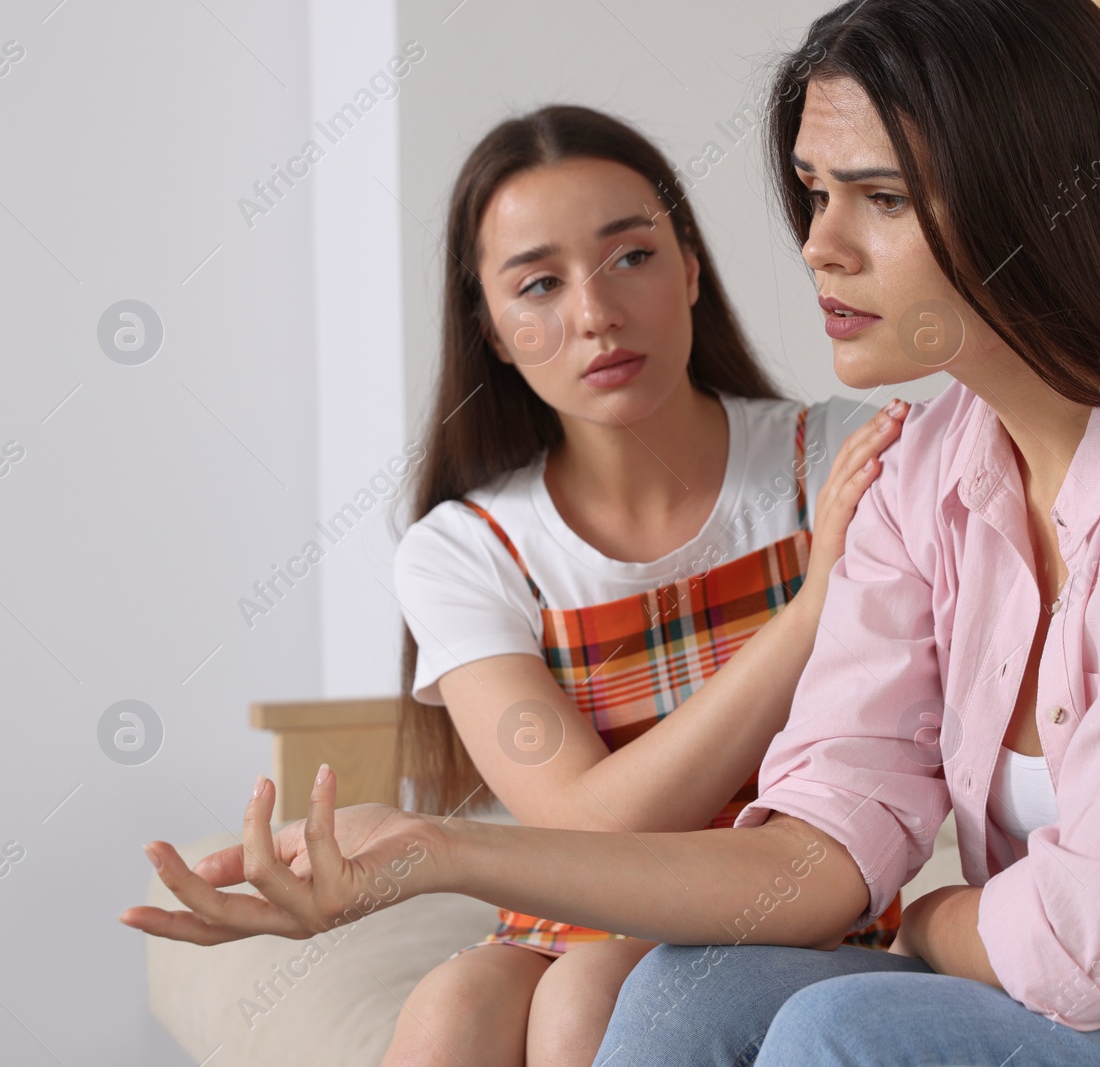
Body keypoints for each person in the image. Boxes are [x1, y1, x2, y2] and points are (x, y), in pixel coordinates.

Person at [121, 1, 1100, 1064]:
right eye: (813, 193)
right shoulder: (928, 475)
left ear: (1038, 195)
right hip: (1086, 1006)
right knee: (678, 990)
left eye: (881, 198)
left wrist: (918, 923)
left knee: (848, 1028)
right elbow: (813, 853)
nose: (818, 247)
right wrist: (425, 850)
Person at [374, 103, 907, 1066]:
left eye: (631, 256)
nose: (595, 314)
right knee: (453, 1006)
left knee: (589, 994)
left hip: (797, 906)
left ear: (691, 267)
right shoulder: (466, 546)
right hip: (579, 907)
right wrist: (808, 616)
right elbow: (587, 825)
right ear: (491, 329)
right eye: (537, 283)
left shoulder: (831, 459)